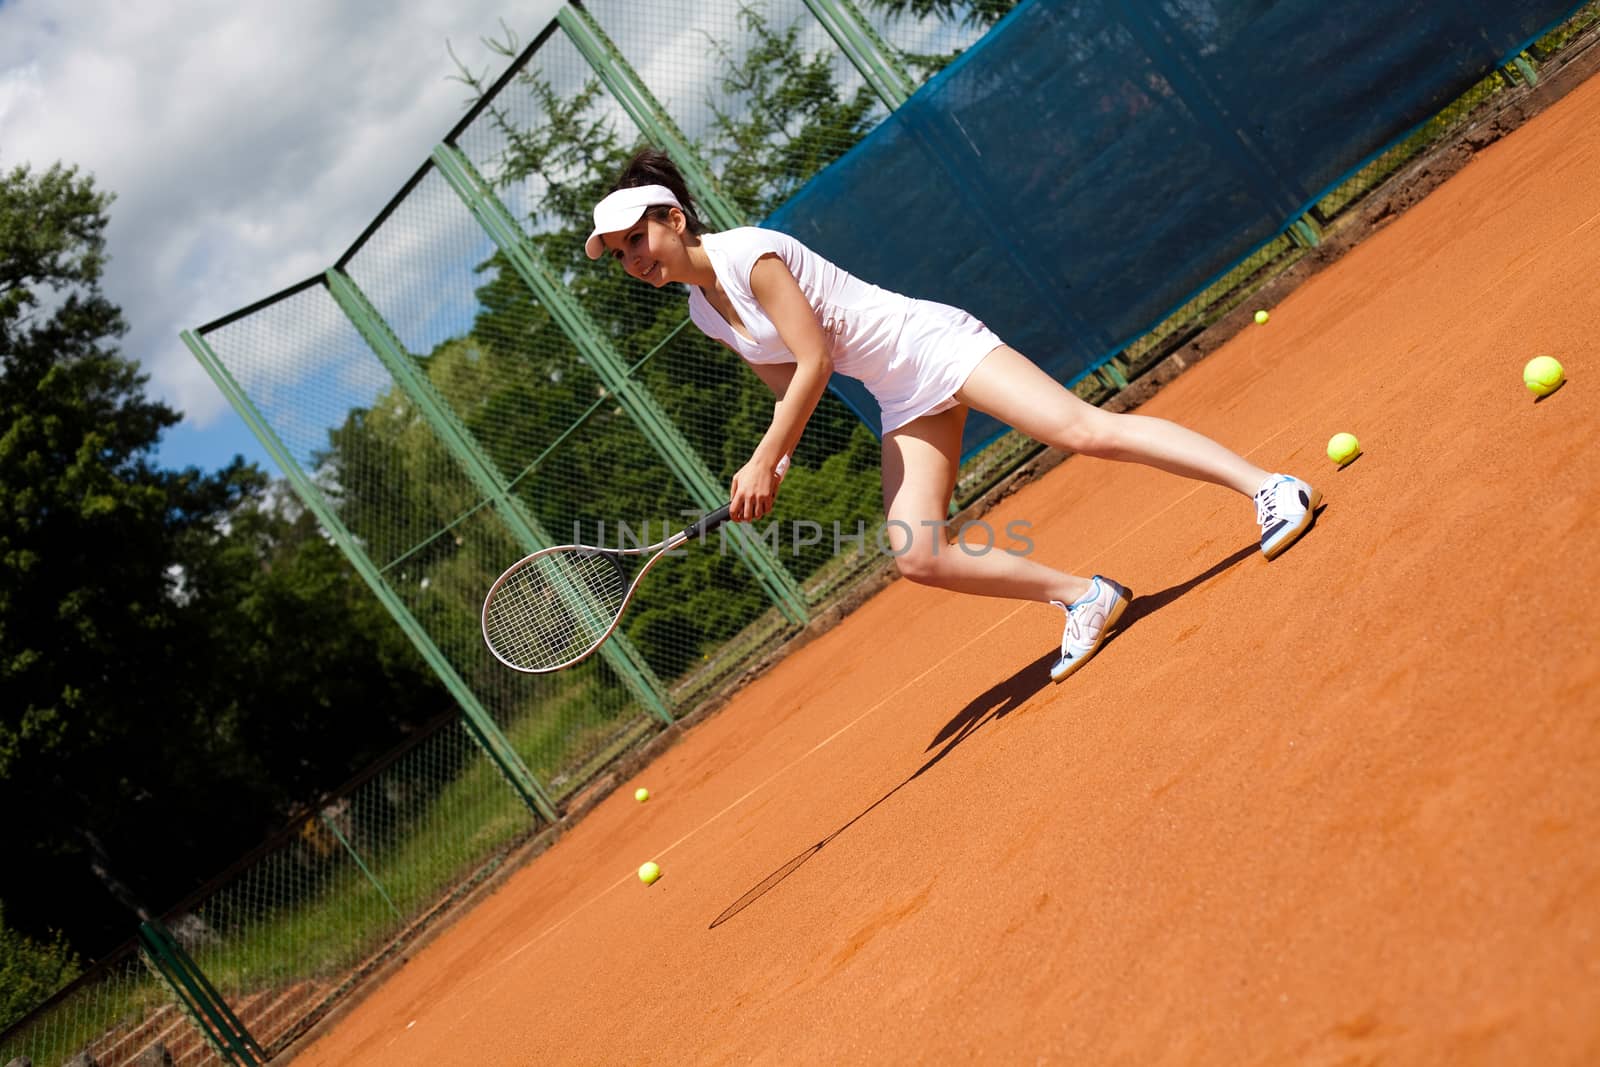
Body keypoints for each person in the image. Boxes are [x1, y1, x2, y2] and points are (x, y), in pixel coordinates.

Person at [584, 149, 1321, 682]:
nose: (634, 260)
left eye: (637, 240)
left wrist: (762, 454)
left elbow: (812, 361)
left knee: (1082, 430)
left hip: (930, 343)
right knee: (917, 553)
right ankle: (1086, 596)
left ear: (674, 219)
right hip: (898, 392)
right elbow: (789, 392)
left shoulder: (750, 256)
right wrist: (771, 464)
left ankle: (1270, 487)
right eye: (619, 255)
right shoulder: (703, 314)